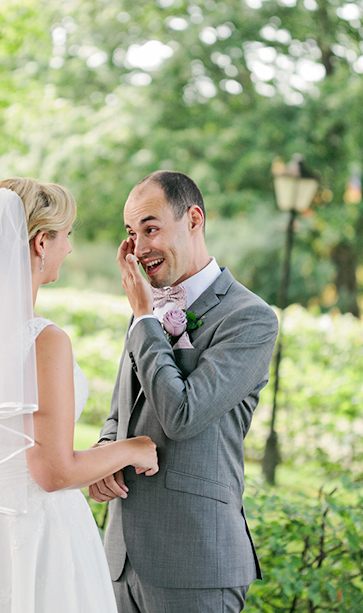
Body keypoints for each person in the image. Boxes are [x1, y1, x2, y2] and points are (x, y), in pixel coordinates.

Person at [0, 177, 158, 613]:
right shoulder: (43, 341)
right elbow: (53, 471)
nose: (69, 249)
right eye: (66, 236)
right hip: (29, 536)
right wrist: (133, 448)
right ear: (41, 242)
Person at [89, 170, 279, 613]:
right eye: (132, 234)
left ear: (193, 218)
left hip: (195, 563)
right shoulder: (147, 310)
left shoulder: (249, 318)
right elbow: (124, 408)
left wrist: (143, 317)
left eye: (151, 228)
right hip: (119, 560)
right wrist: (105, 451)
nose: (139, 248)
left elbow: (183, 415)